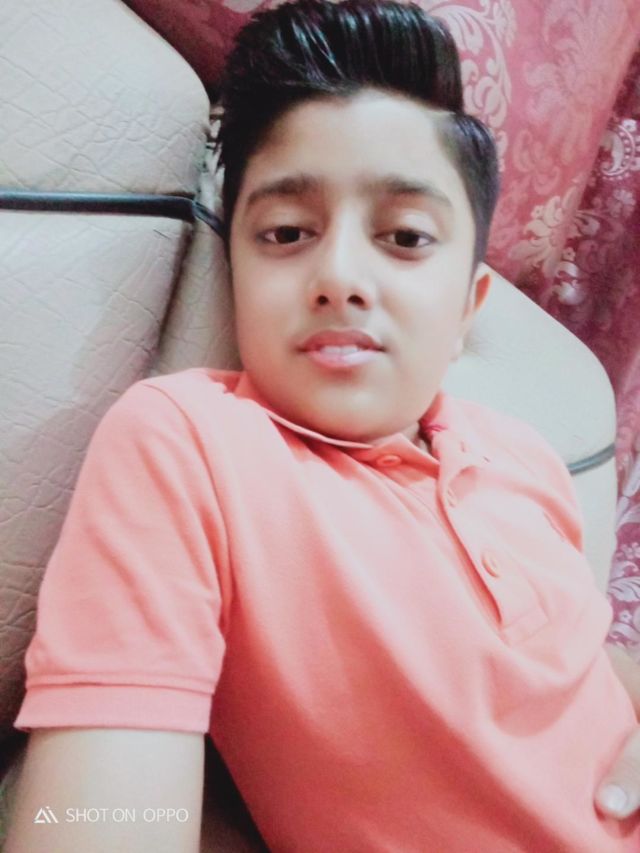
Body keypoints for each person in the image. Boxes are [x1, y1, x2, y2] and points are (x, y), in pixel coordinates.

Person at [5, 1, 640, 850]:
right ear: (234, 270)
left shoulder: (527, 457)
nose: (340, 274)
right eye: (286, 232)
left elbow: (578, 656)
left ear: (467, 307)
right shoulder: (188, 441)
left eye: (405, 236)